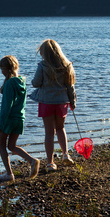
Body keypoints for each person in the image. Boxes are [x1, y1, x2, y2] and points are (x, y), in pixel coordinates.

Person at [30, 39, 77, 171]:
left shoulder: (42, 66)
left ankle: (50, 162)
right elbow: (70, 86)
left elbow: (35, 83)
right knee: (61, 128)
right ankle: (65, 154)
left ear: (44, 53)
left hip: (46, 102)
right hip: (62, 102)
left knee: (49, 132)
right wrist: (72, 102)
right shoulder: (66, 65)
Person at [0, 55, 40, 181]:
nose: (1, 72)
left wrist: (0, 123)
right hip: (19, 119)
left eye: (2, 69)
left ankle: (9, 174)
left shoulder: (9, 83)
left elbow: (7, 106)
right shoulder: (21, 81)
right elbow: (19, 104)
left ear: (6, 69)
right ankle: (32, 160)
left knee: (1, 145)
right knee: (12, 146)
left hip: (8, 120)